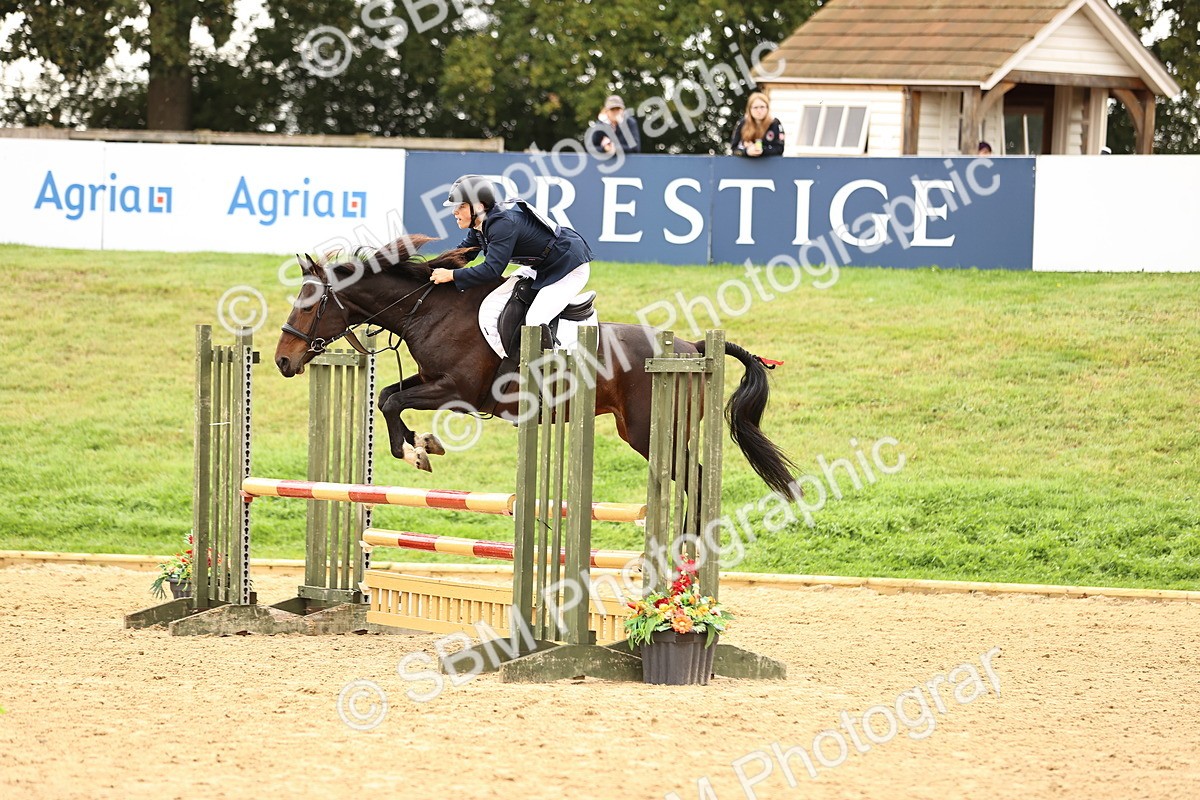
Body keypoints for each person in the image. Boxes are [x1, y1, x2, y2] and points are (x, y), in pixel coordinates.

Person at [430, 175, 594, 353]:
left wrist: (452, 275)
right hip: (542, 266)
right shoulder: (480, 225)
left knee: (535, 320)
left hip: (569, 265)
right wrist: (426, 270)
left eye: (460, 206)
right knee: (499, 296)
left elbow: (491, 270)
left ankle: (548, 366)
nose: (454, 212)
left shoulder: (502, 226)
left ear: (478, 207)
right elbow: (462, 254)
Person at [730, 92, 784, 157]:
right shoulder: (742, 123)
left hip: (769, 162)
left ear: (767, 108)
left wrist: (762, 150)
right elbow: (734, 150)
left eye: (762, 107)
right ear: (749, 109)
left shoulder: (775, 123)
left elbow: (780, 149)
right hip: (747, 162)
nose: (759, 111)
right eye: (755, 107)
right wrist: (747, 151)